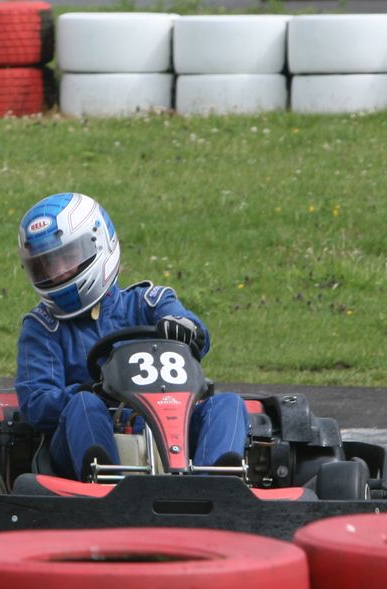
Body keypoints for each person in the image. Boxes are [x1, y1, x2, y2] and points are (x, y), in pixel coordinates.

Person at [13, 192, 249, 481]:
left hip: (171, 424)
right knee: (83, 405)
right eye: (46, 266)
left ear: (100, 242)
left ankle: (214, 483)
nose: (58, 273)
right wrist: (95, 390)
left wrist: (184, 328)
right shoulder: (43, 327)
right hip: (86, 437)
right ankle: (104, 481)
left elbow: (193, 329)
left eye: (66, 259)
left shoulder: (149, 302)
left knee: (228, 404)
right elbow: (37, 405)